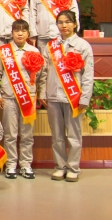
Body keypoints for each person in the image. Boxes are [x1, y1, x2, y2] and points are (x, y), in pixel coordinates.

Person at [39, 10, 94, 182]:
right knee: (57, 136)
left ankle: (73, 168)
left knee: (74, 136)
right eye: (60, 22)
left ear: (75, 24)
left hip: (74, 97)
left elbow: (88, 74)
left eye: (68, 22)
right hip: (53, 96)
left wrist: (85, 97)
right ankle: (60, 167)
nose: (64, 25)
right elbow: (44, 72)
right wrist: (43, 92)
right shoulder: (51, 46)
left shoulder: (83, 46)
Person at [0, 19, 45, 180]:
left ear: (28, 33)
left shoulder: (34, 51)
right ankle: (11, 164)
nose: (20, 33)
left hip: (28, 97)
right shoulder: (3, 51)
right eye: (17, 30)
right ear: (12, 33)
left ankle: (25, 164)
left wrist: (40, 94)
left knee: (27, 134)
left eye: (23, 30)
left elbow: (41, 76)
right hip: (9, 97)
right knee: (10, 133)